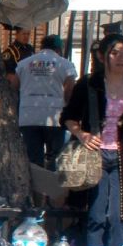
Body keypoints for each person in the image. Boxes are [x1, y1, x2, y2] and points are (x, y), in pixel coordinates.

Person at [61, 34, 123, 246]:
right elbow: (67, 117)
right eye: (114, 52)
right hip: (94, 156)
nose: (121, 58)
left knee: (119, 215)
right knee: (97, 214)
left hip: (121, 158)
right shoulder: (90, 83)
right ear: (103, 56)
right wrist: (82, 134)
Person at [14, 35, 77, 170]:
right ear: (59, 49)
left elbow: (14, 87)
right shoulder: (66, 65)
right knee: (55, 157)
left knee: (33, 158)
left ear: (41, 47)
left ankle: (36, 188)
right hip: (55, 117)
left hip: (28, 116)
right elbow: (69, 91)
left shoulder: (24, 64)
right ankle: (51, 187)